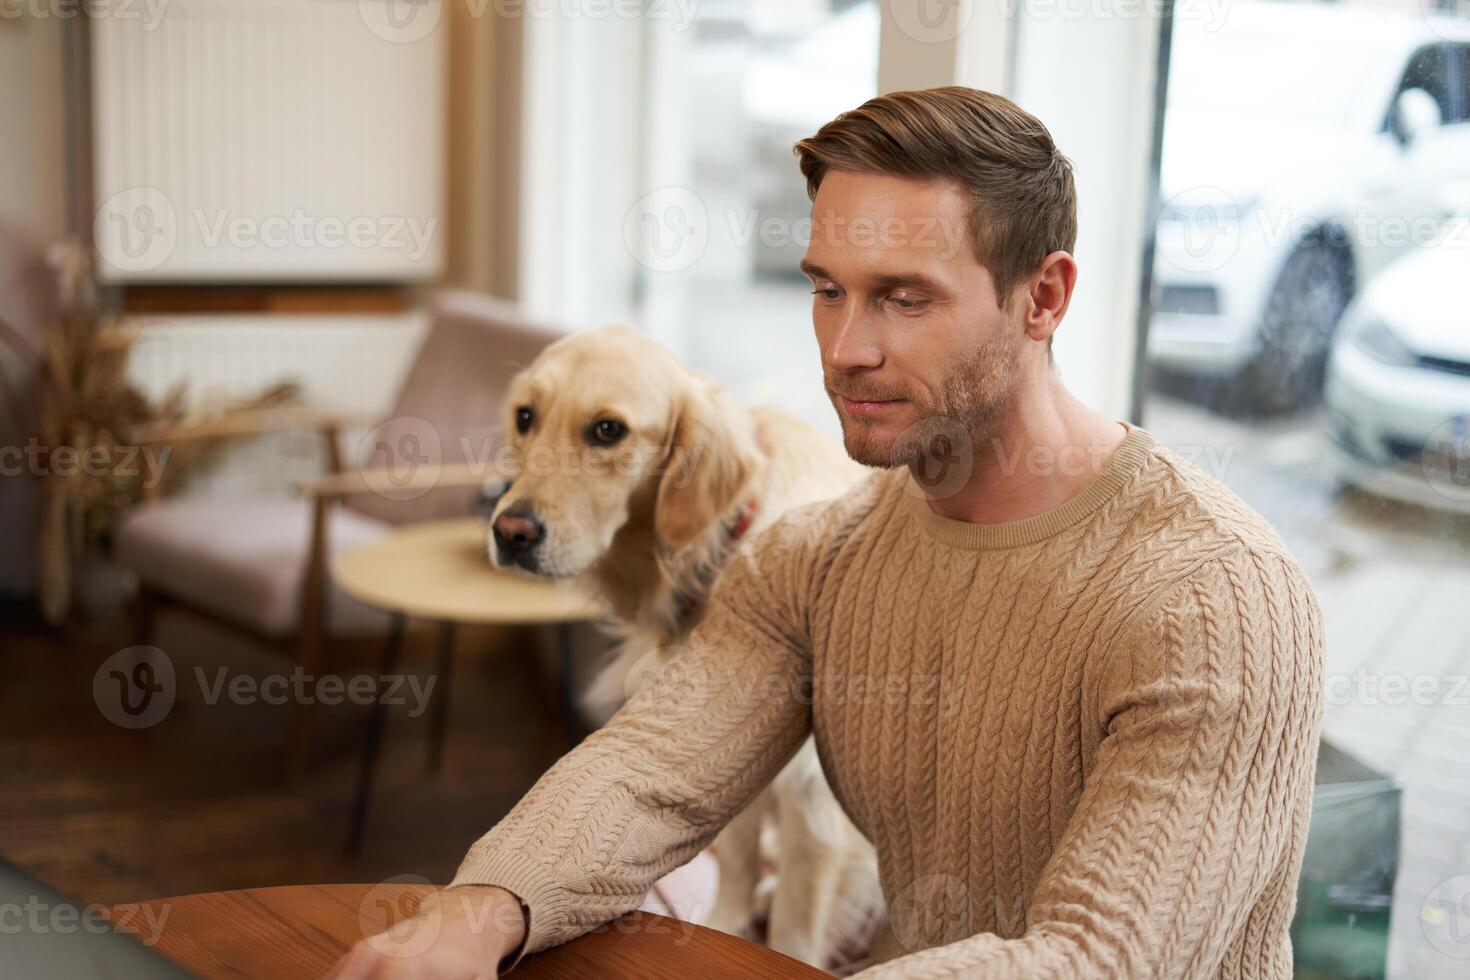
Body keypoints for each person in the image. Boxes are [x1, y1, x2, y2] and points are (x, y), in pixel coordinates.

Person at [329, 86, 1323, 979]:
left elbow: (1101, 956)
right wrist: (480, 907)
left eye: (904, 295)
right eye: (826, 287)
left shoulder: (1217, 598)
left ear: (1045, 298)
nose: (845, 349)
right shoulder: (818, 555)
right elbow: (652, 771)